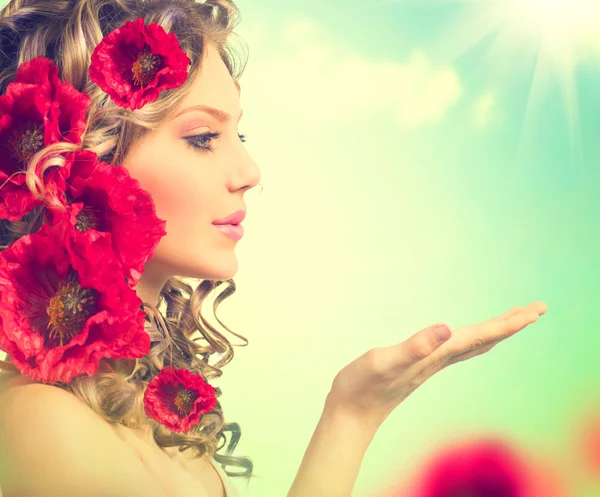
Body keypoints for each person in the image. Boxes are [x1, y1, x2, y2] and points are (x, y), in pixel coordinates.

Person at [0, 1, 548, 496]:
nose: (249, 173)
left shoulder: (151, 422)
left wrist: (352, 414)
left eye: (239, 135)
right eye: (201, 138)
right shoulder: (40, 425)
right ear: (77, 158)